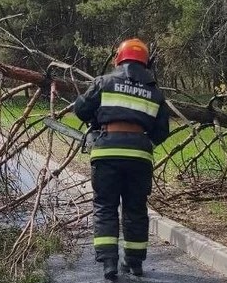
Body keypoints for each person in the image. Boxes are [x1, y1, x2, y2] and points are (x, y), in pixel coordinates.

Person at [73, 38, 170, 281]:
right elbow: (161, 132)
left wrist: (98, 119)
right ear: (146, 62)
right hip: (139, 156)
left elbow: (81, 110)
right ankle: (134, 263)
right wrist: (140, 140)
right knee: (135, 209)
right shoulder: (155, 93)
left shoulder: (104, 82)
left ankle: (108, 264)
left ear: (119, 58)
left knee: (105, 206)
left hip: (106, 152)